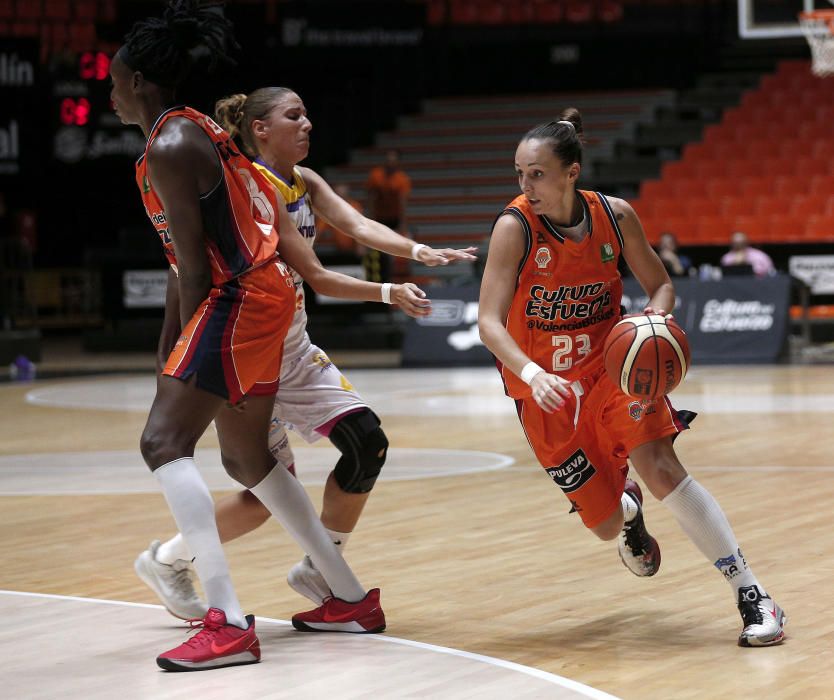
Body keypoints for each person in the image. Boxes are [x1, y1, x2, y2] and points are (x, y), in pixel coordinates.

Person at [112, 0, 431, 672]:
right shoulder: (188, 130)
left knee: (162, 440)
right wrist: (177, 350)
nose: (108, 90)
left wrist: (186, 354)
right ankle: (347, 598)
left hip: (240, 298)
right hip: (263, 299)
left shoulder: (171, 143)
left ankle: (226, 624)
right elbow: (182, 262)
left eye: (114, 78)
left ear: (138, 80)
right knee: (247, 460)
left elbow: (196, 268)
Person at [134, 85, 477, 620]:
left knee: (368, 444)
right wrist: (388, 292)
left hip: (292, 342)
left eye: (308, 113)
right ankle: (170, 558)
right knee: (264, 494)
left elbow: (359, 226)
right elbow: (198, 265)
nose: (309, 123)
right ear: (259, 129)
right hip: (248, 341)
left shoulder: (305, 182)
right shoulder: (240, 185)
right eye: (295, 115)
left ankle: (322, 568)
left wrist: (415, 250)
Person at [477, 109, 786, 647]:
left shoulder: (615, 217)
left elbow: (660, 284)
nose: (526, 187)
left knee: (663, 465)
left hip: (611, 372)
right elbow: (487, 321)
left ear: (572, 172)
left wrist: (652, 325)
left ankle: (752, 593)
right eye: (519, 175)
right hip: (544, 390)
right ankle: (626, 509)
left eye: (538, 174)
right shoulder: (515, 226)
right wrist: (532, 371)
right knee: (600, 527)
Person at [365, 148, 412, 282]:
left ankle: (399, 274)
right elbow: (370, 197)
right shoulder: (376, 175)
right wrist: (370, 218)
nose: (391, 161)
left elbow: (403, 202)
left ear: (397, 162)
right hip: (379, 217)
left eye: (393, 159)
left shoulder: (402, 179)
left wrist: (403, 223)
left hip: (395, 218)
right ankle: (379, 277)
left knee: (399, 245)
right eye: (388, 159)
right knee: (378, 248)